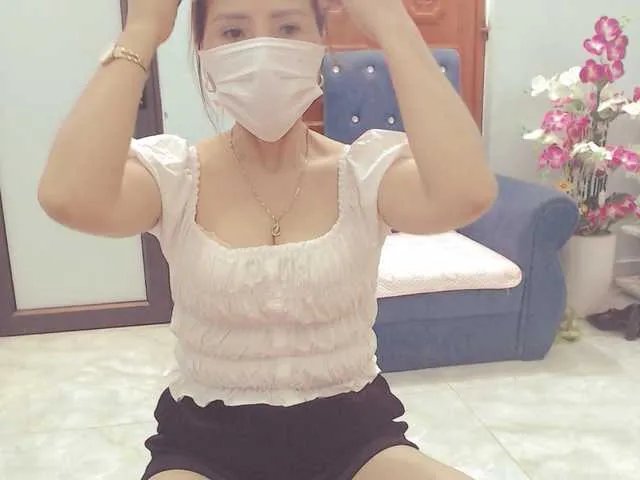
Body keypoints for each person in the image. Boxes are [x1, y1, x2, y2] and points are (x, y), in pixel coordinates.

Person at [38, 0, 496, 478]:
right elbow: (69, 197)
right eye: (233, 33)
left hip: (354, 435)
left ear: (320, 41)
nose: (262, 50)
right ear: (204, 53)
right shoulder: (177, 177)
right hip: (204, 442)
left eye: (288, 27)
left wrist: (390, 23)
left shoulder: (362, 173)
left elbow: (464, 194)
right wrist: (142, 31)